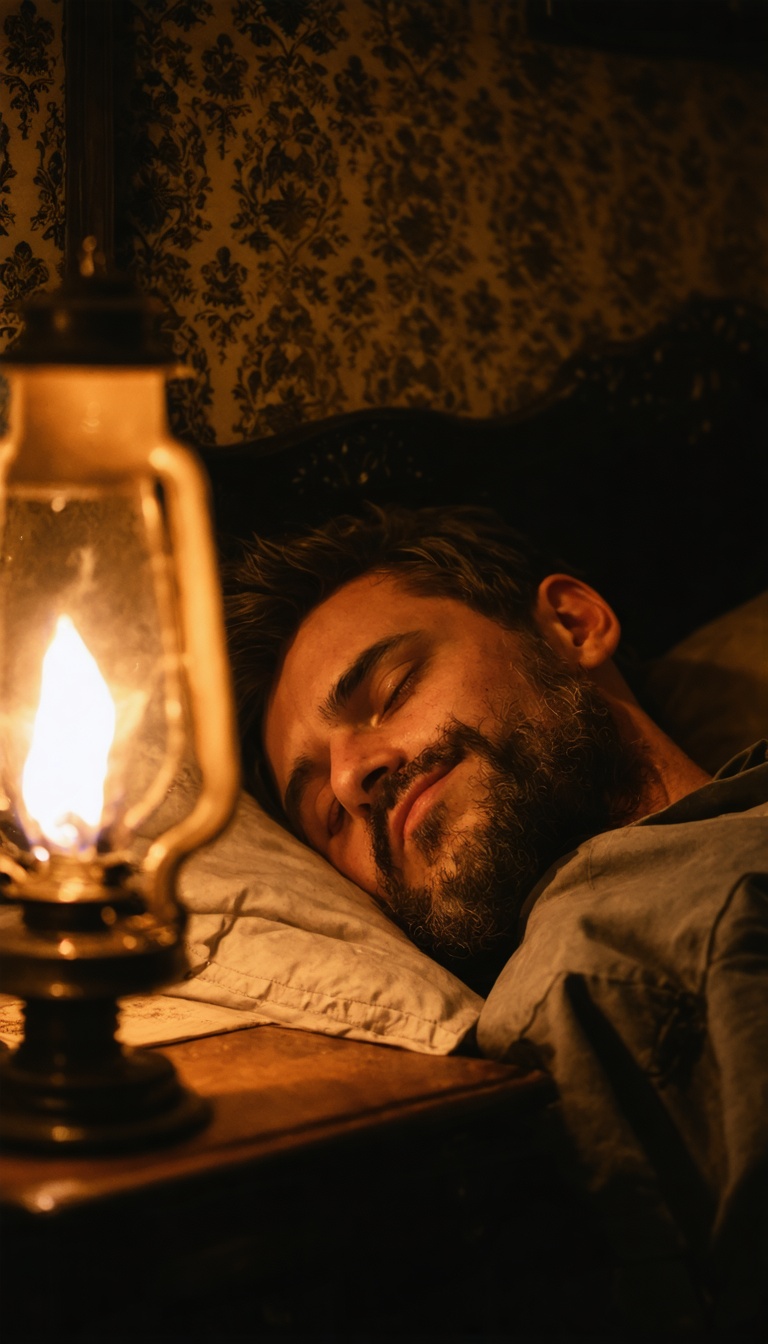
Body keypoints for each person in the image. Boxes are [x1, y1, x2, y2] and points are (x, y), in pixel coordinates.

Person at [224, 502, 768, 1340]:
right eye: (322, 814)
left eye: (391, 691)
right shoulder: (592, 969)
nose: (350, 780)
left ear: (572, 624)